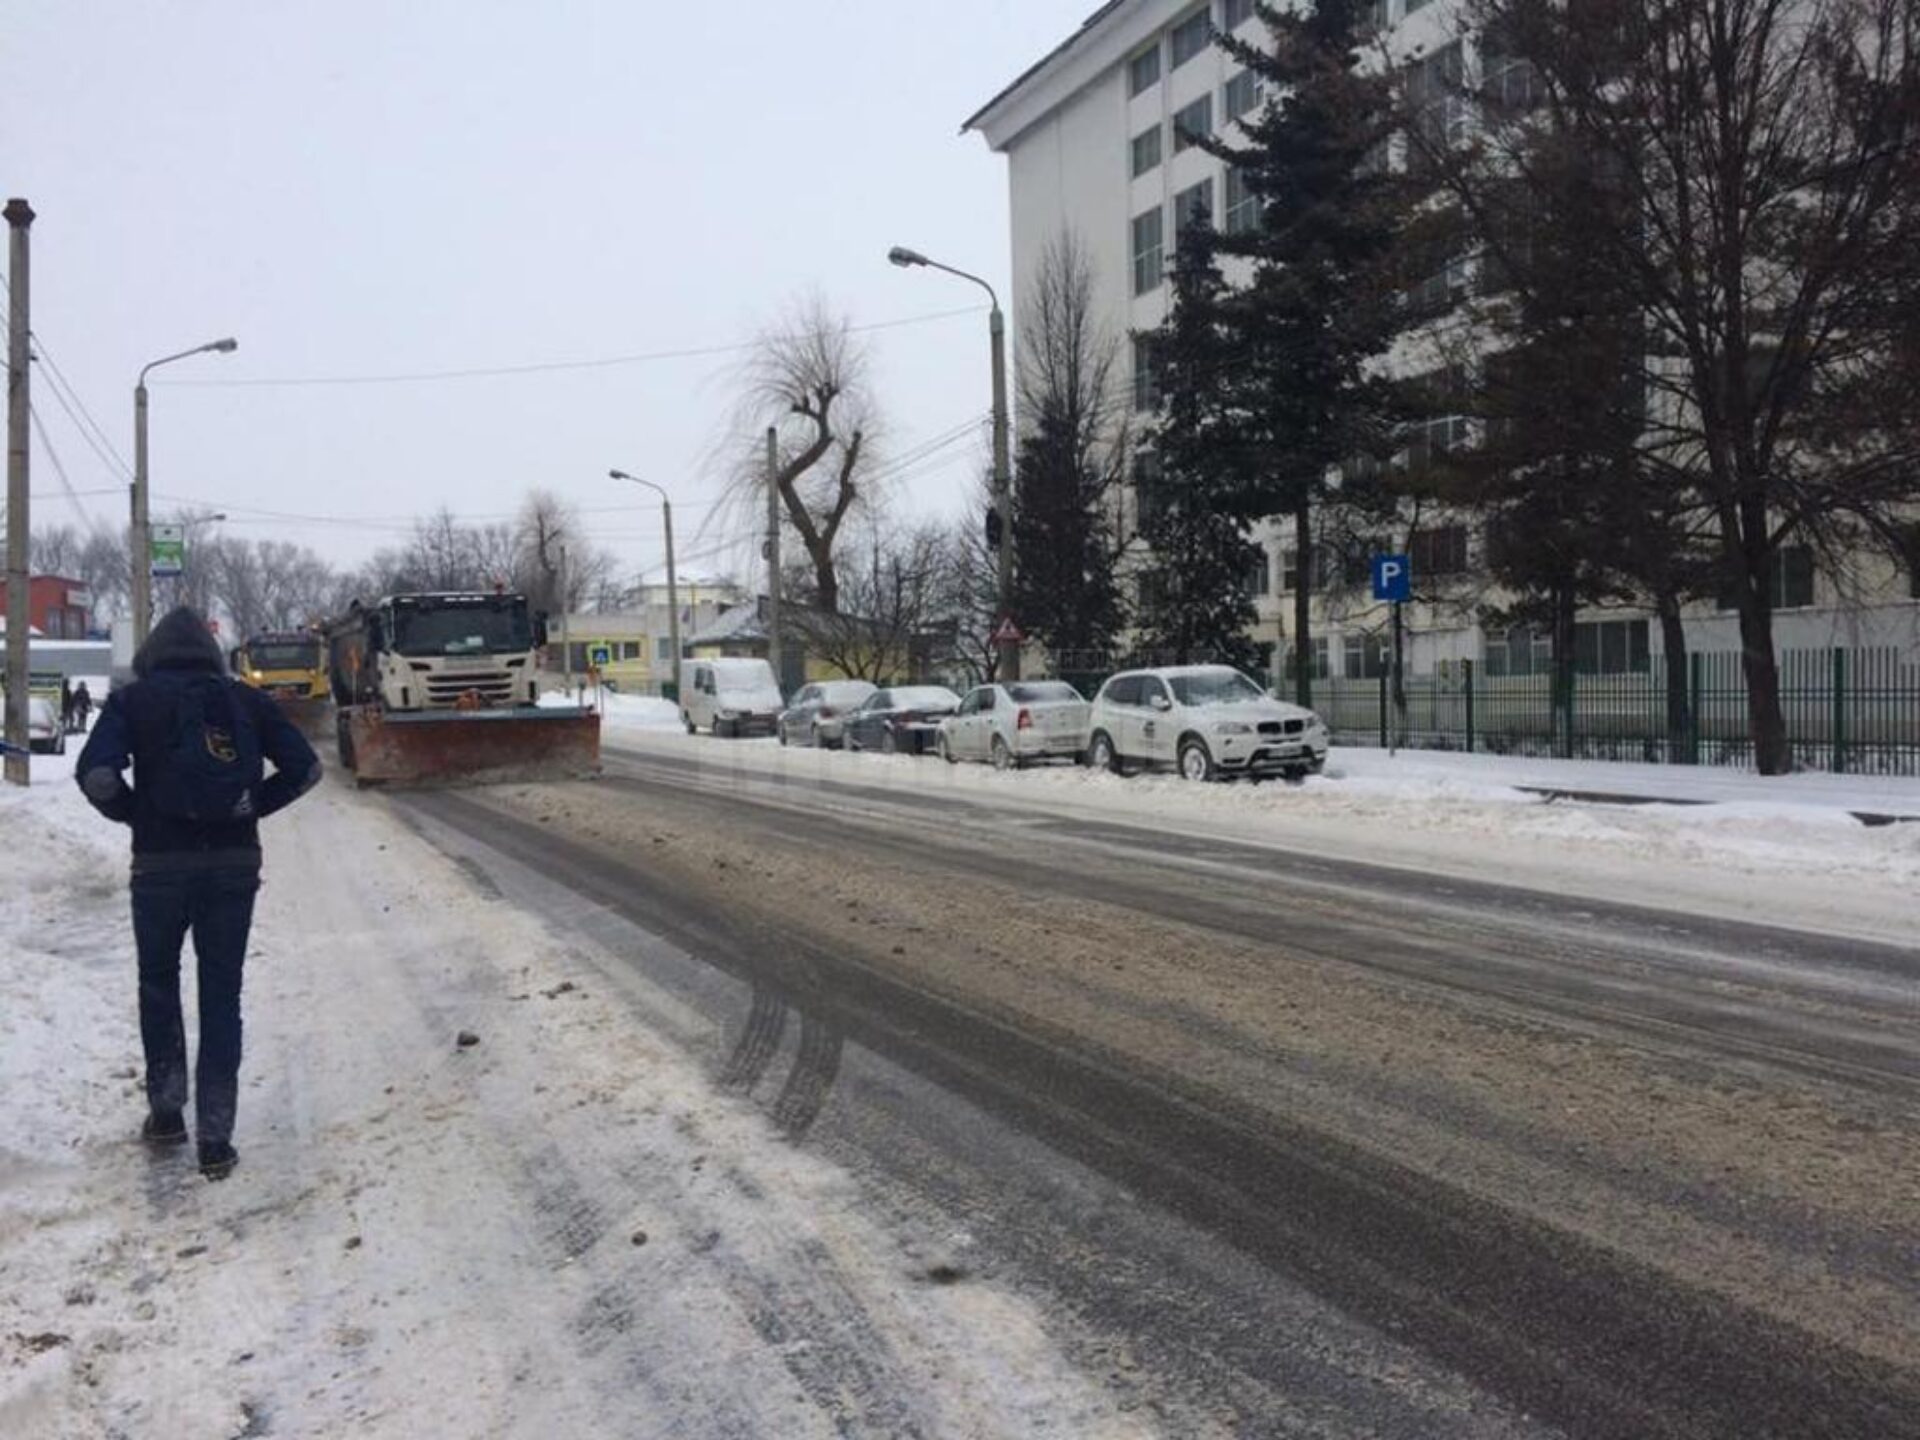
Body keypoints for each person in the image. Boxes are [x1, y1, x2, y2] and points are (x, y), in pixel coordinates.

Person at [75, 607, 321, 1180]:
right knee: (221, 993)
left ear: (153, 655)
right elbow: (306, 770)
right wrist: (250, 807)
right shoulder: (246, 700)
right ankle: (216, 1137)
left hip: (159, 867)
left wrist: (137, 815)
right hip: (233, 865)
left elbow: (98, 775)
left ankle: (166, 1114)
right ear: (211, 656)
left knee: (158, 983)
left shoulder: (133, 701)